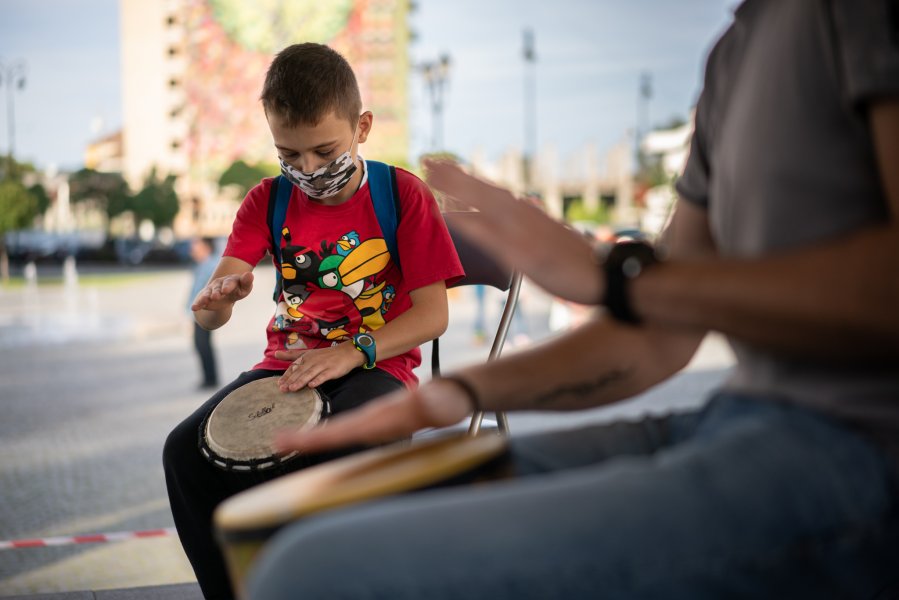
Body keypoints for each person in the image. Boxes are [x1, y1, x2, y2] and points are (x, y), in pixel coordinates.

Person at [247, 2, 899, 598]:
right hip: (736, 414)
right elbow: (659, 336)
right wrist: (465, 392)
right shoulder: (734, 52)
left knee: (313, 572)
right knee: (333, 519)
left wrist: (619, 278)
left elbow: (653, 296)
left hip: (856, 451)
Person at [162, 43, 463, 600]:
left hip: (378, 368)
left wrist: (352, 351)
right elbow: (213, 314)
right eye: (290, 154)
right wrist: (216, 299)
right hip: (287, 368)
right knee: (183, 452)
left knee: (333, 447)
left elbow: (433, 315)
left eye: (324, 151)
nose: (308, 170)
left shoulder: (403, 196)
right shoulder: (266, 201)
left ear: (362, 126)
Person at [187, 236, 220, 390]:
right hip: (197, 313)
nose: (192, 249)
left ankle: (211, 379)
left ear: (206, 247)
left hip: (203, 313)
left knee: (203, 344)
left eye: (196, 245)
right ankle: (209, 377)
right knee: (201, 344)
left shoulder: (211, 265)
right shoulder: (202, 265)